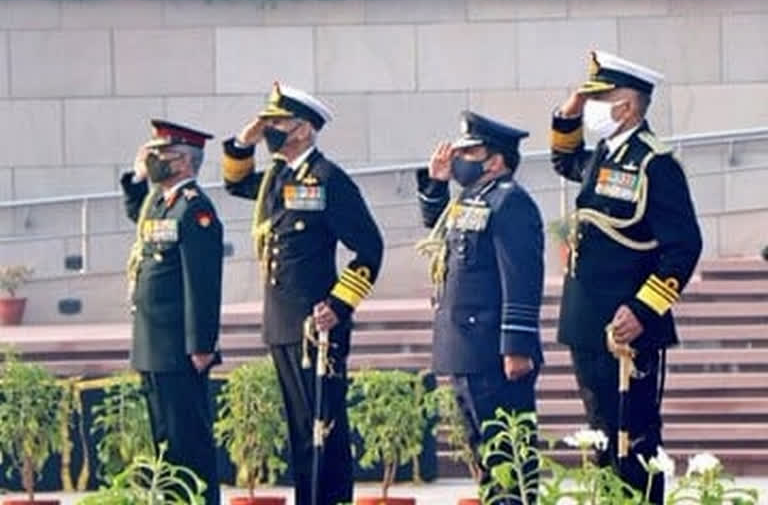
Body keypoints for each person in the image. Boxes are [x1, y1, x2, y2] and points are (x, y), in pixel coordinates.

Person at [549, 51, 703, 503]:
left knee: (632, 439)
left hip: (626, 328)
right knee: (600, 437)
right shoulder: (604, 153)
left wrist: (642, 309)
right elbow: (564, 160)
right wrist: (569, 112)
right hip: (587, 322)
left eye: (602, 97)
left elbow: (684, 247)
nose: (594, 105)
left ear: (628, 107)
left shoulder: (655, 165)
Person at [221, 82, 383, 505]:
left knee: (322, 426)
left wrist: (339, 304)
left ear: (304, 130)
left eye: (278, 123)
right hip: (282, 323)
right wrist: (245, 139)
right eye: (269, 122)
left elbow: (370, 248)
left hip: (318, 328)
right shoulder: (278, 177)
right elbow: (234, 182)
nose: (270, 129)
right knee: (300, 428)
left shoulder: (328, 179)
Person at [417, 110, 544, 502]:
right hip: (465, 346)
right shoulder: (473, 199)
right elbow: (437, 227)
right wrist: (437, 184)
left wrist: (517, 346)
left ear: (495, 160)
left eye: (470, 151)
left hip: (492, 351)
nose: (460, 158)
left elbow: (521, 277)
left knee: (507, 455)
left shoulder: (510, 202)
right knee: (483, 453)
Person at [122, 119, 223, 505]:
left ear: (183, 161)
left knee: (189, 444)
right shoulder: (160, 204)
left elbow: (202, 282)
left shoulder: (195, 210)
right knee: (165, 444)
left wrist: (201, 344)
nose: (153, 160)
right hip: (152, 344)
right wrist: (136, 175)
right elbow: (138, 217)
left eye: (160, 154)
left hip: (179, 348)